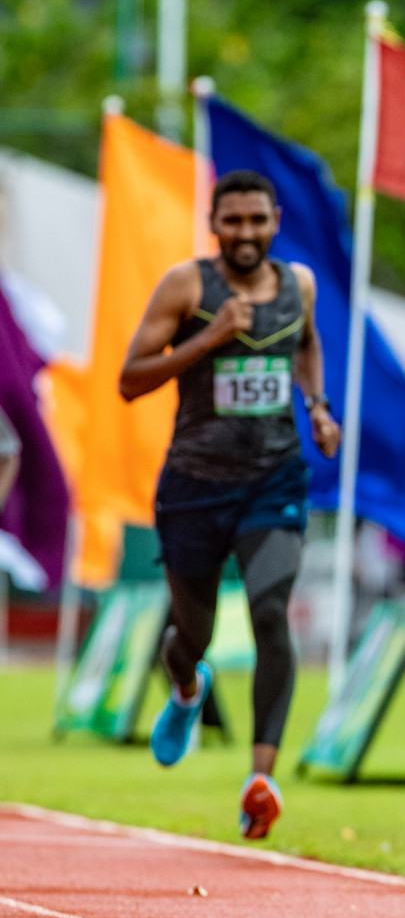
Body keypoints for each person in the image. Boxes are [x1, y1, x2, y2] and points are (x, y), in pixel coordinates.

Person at [119, 169, 340, 840]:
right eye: (232, 221)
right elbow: (130, 380)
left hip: (272, 480)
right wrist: (208, 342)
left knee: (272, 612)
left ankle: (261, 779)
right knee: (194, 637)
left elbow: (305, 343)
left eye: (257, 221)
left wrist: (318, 407)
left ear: (274, 220)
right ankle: (188, 687)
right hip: (193, 487)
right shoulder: (188, 286)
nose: (245, 233)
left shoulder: (296, 284)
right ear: (213, 224)